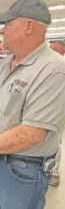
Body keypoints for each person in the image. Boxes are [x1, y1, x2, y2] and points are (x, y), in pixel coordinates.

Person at [0, 0, 65, 209]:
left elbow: (32, 133)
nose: (2, 31)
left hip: (22, 171)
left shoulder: (53, 69)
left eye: (8, 24)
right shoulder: (2, 65)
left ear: (29, 26)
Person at [49, 39, 65, 187]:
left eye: (54, 50)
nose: (51, 52)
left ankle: (54, 173)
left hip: (57, 112)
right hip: (40, 110)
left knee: (55, 141)